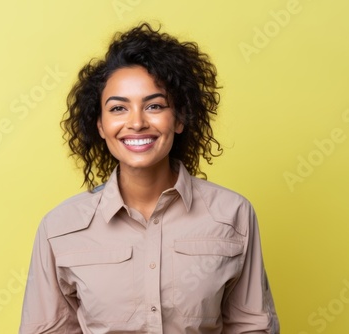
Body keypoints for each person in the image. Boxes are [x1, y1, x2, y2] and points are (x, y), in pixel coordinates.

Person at [19, 23, 279, 334]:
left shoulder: (232, 214)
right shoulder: (59, 228)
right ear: (100, 126)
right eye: (118, 108)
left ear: (180, 118)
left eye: (154, 106)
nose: (137, 122)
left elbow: (251, 326)